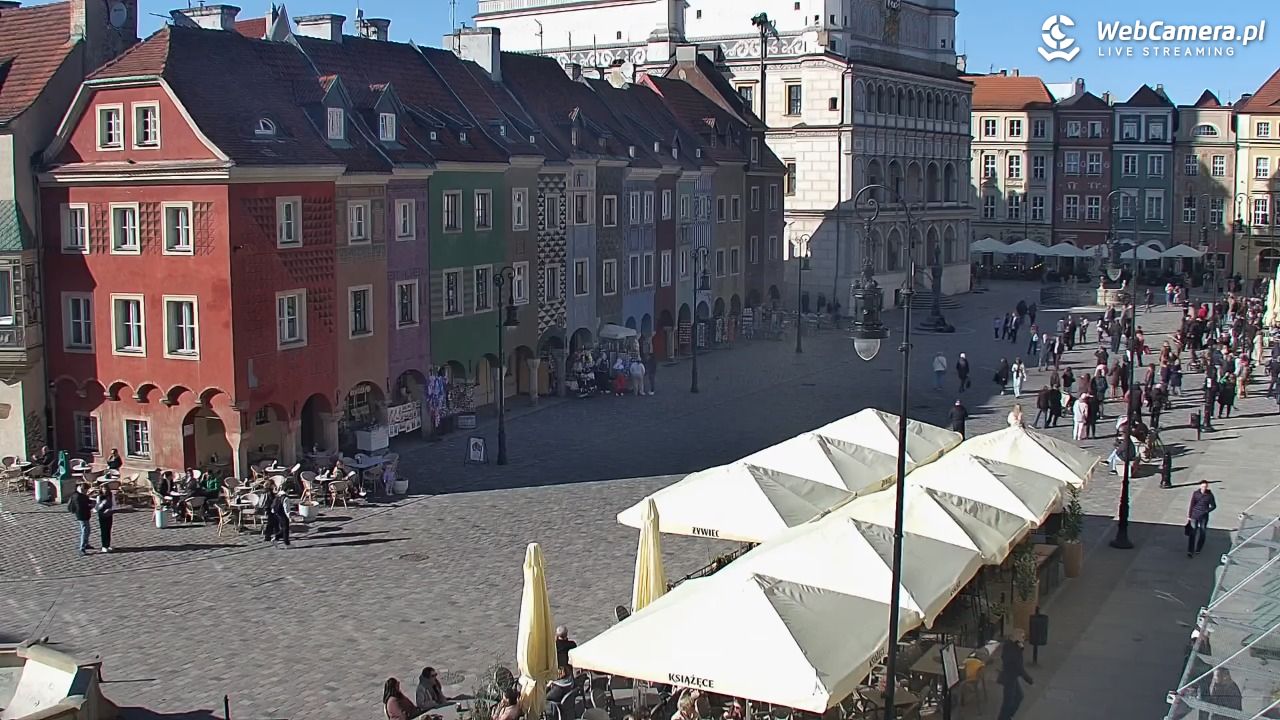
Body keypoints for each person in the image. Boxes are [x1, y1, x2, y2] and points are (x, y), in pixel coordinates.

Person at [997, 629, 1034, 720]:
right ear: (1016, 638)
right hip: (1009, 678)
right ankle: (1004, 718)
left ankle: (1007, 716)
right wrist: (1029, 679)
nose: (1024, 639)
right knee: (1009, 701)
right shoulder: (1012, 649)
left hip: (1012, 677)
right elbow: (1019, 667)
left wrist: (1019, 647)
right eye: (1022, 637)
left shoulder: (1012, 646)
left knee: (1018, 697)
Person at [1187, 480, 1217, 557]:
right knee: (1193, 533)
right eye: (1203, 486)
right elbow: (1192, 504)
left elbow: (1214, 506)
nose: (1204, 488)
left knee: (1202, 532)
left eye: (1205, 486)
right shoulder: (1196, 494)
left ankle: (1198, 548)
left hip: (1203, 516)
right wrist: (1189, 516)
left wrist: (1207, 511)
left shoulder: (1209, 495)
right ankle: (1190, 550)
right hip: (1195, 515)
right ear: (1200, 486)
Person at [67, 483, 94, 556]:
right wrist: (90, 506)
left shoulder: (77, 494)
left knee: (87, 530)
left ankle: (86, 543)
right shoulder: (78, 496)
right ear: (83, 489)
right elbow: (81, 507)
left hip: (84, 515)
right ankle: (82, 548)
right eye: (86, 490)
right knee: (85, 531)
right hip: (81, 516)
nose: (86, 492)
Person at [94, 483, 116, 553]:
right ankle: (104, 546)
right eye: (103, 489)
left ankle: (108, 545)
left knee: (108, 530)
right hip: (102, 515)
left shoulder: (111, 495)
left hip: (109, 514)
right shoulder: (99, 496)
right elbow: (97, 508)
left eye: (106, 489)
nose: (105, 491)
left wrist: (110, 509)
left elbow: (114, 504)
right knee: (103, 530)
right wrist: (102, 504)